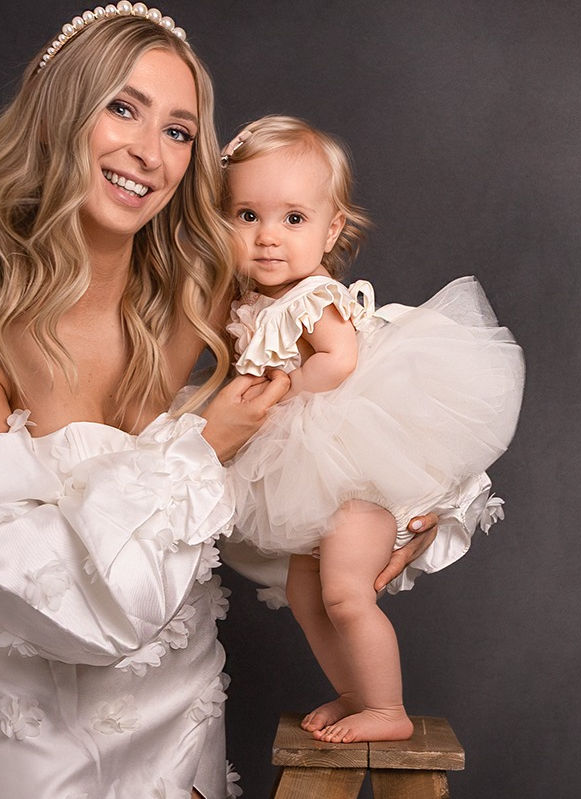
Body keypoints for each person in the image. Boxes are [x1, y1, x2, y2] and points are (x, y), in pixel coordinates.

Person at [0, 10, 446, 799]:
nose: (149, 153)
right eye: (122, 107)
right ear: (58, 114)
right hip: (24, 725)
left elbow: (360, 383)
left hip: (177, 713)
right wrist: (200, 444)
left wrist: (415, 505)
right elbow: (40, 591)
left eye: (179, 131)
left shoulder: (207, 299)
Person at [221, 116, 524, 744]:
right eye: (247, 216)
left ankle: (388, 708)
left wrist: (278, 398)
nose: (268, 237)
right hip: (311, 469)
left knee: (344, 592)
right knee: (307, 595)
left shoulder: (311, 296)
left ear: (332, 229)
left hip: (356, 465)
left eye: (293, 219)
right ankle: (356, 691)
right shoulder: (252, 303)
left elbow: (339, 360)